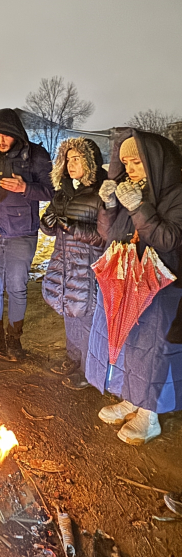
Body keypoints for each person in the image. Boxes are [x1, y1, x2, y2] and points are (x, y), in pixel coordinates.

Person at [86, 130, 182, 445]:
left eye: (137, 161)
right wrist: (109, 205)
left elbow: (169, 239)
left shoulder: (177, 194)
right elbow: (108, 235)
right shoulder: (134, 189)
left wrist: (140, 207)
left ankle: (149, 414)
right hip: (131, 279)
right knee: (130, 342)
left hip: (164, 284)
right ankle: (131, 399)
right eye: (126, 162)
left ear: (156, 161)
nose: (130, 168)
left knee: (153, 347)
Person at [0, 108, 54, 361]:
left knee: (16, 287)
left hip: (21, 232)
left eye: (4, 136)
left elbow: (52, 191)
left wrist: (25, 187)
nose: (0, 141)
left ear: (16, 133)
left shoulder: (36, 155)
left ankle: (14, 339)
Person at [40, 138, 106, 389]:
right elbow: (47, 223)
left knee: (86, 315)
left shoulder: (101, 192)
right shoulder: (63, 192)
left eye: (77, 158)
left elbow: (105, 236)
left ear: (90, 162)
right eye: (68, 159)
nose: (71, 164)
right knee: (69, 309)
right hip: (64, 261)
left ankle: (89, 370)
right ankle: (72, 357)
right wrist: (47, 223)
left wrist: (75, 228)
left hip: (87, 265)